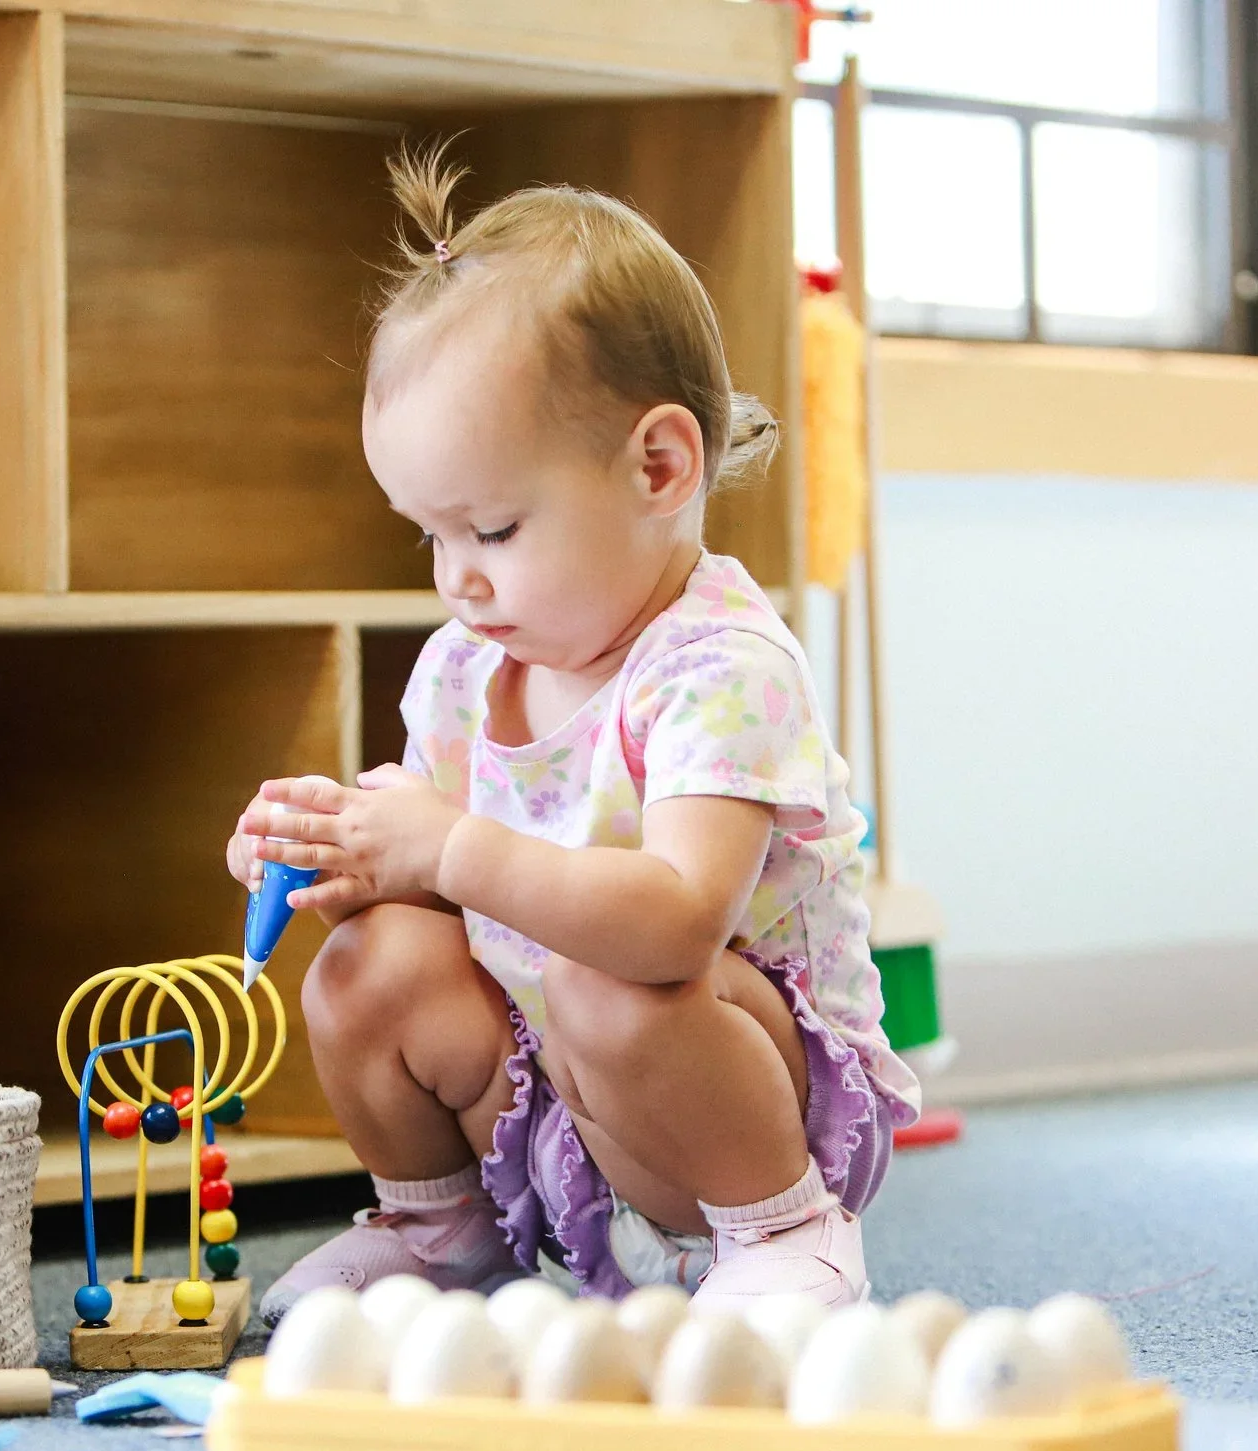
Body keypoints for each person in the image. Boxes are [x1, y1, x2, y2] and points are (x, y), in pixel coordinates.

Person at [231, 141, 918, 1322]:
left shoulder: (718, 667)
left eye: (492, 528)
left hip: (735, 1101)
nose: (459, 580)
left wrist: (444, 849)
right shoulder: (466, 668)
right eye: (428, 537)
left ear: (658, 465)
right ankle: (441, 1230)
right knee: (369, 963)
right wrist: (348, 850)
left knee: (613, 975)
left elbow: (672, 923)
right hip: (559, 1097)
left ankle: (787, 1234)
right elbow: (437, 893)